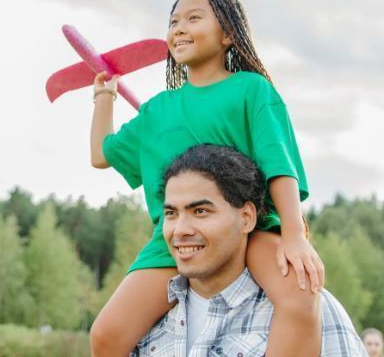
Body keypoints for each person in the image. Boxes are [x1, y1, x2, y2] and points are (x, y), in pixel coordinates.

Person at [90, 0, 324, 357]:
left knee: (299, 295)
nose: (179, 28)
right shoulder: (157, 111)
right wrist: (105, 96)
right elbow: (102, 155)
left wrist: (294, 235)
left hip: (252, 228)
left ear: (228, 34)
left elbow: (280, 165)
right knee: (105, 334)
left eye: (193, 18)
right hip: (176, 241)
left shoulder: (252, 90)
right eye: (174, 22)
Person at [130, 144, 367, 356]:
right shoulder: (144, 322)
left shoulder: (312, 310)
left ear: (246, 218)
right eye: (172, 214)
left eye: (200, 211)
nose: (180, 230)